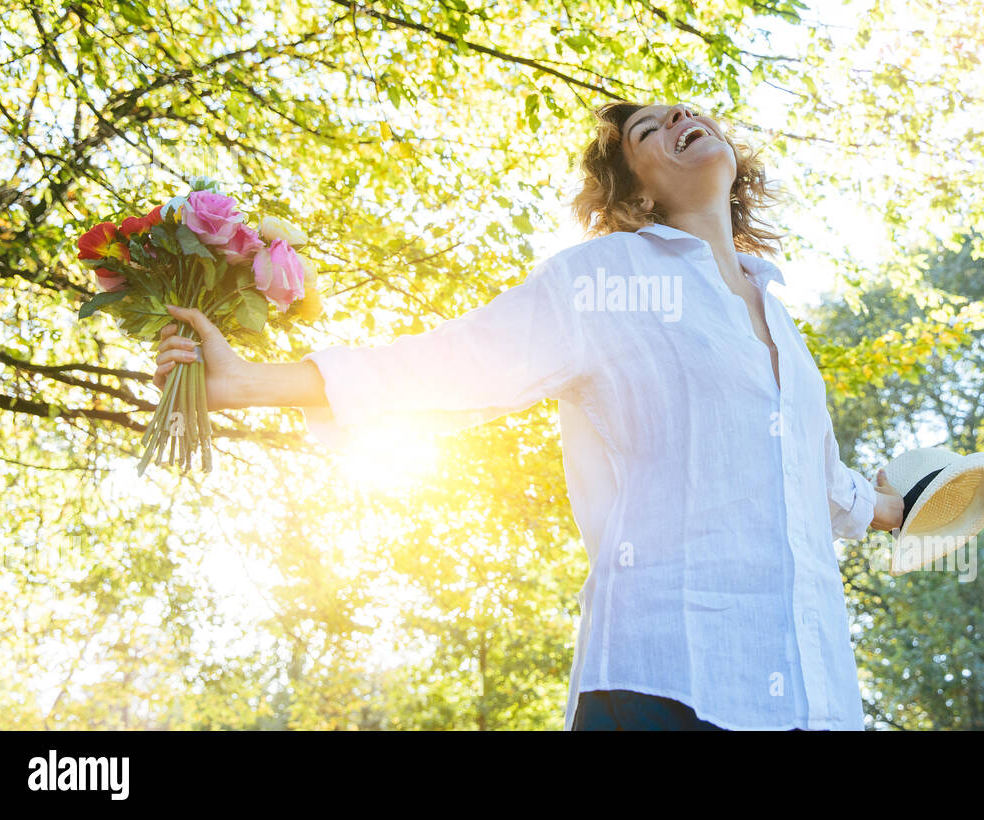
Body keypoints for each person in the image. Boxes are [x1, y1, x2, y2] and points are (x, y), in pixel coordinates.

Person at [153, 101, 906, 731]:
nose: (678, 113)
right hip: (666, 676)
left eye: (681, 108)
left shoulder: (782, 321)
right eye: (647, 131)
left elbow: (817, 479)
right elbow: (460, 361)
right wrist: (250, 383)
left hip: (813, 693)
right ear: (636, 197)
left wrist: (891, 509)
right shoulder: (608, 278)